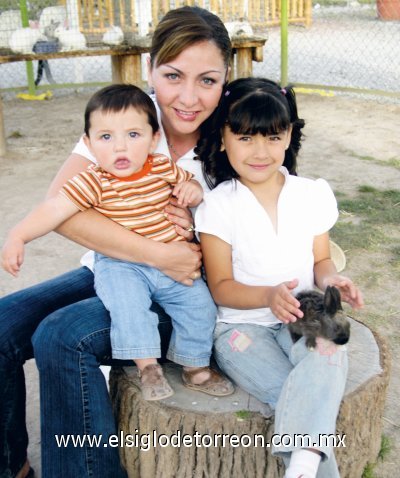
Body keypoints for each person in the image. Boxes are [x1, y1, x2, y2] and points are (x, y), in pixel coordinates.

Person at [0, 6, 233, 478]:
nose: (188, 98)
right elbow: (62, 209)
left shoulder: (236, 132)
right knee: (2, 324)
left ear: (227, 78)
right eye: (172, 76)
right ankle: (12, 466)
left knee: (62, 336)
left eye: (207, 80)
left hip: (187, 289)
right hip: (116, 266)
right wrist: (156, 252)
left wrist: (187, 238)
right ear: (150, 69)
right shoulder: (126, 118)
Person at [1, 83, 233, 402]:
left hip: (172, 268)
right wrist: (18, 235)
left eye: (133, 135)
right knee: (129, 307)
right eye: (106, 137)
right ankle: (147, 367)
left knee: (199, 306)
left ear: (153, 140)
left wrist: (193, 190)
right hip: (122, 266)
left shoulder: (162, 168)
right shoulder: (92, 182)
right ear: (89, 143)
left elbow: (190, 184)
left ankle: (194, 365)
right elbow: (54, 208)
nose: (120, 148)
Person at [195, 77, 364, 478]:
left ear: (288, 136)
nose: (260, 151)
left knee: (329, 350)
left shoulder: (311, 194)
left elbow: (321, 260)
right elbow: (221, 287)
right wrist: (268, 297)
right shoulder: (218, 206)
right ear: (223, 138)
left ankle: (302, 464)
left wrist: (332, 281)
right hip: (240, 330)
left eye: (272, 137)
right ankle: (308, 463)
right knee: (298, 395)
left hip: (304, 315)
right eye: (246, 138)